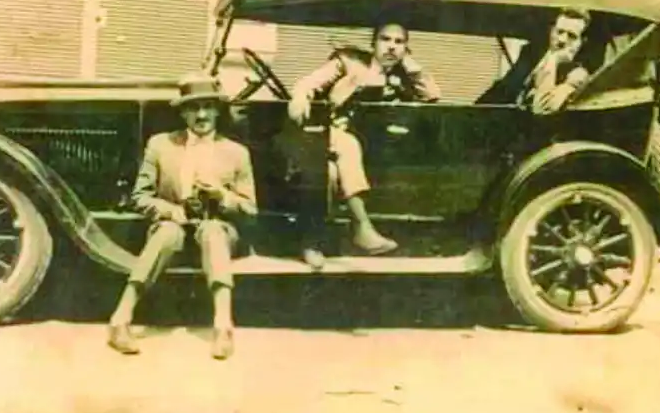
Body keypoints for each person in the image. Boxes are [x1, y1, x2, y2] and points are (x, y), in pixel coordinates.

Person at [107, 73, 257, 360]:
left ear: (217, 110)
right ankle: (120, 320)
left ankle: (223, 327)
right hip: (172, 224)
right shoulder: (161, 145)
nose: (201, 115)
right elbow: (140, 196)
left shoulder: (236, 153)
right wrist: (171, 211)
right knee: (166, 233)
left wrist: (222, 196)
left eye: (207, 106)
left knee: (213, 232)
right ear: (183, 113)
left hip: (218, 227)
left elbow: (250, 208)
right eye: (192, 108)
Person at [287, 22, 441, 269]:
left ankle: (313, 243)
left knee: (333, 173)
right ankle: (361, 227)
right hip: (334, 134)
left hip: (376, 148)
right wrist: (300, 97)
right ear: (373, 43)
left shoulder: (405, 74)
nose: (391, 47)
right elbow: (309, 83)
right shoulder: (348, 61)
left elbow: (433, 96)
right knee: (342, 150)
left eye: (399, 42)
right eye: (385, 39)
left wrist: (414, 69)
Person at [517, 7, 592, 114]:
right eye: (559, 32)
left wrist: (554, 59)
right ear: (551, 31)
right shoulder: (534, 61)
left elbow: (542, 109)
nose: (562, 40)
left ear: (581, 43)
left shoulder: (577, 75)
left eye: (572, 36)